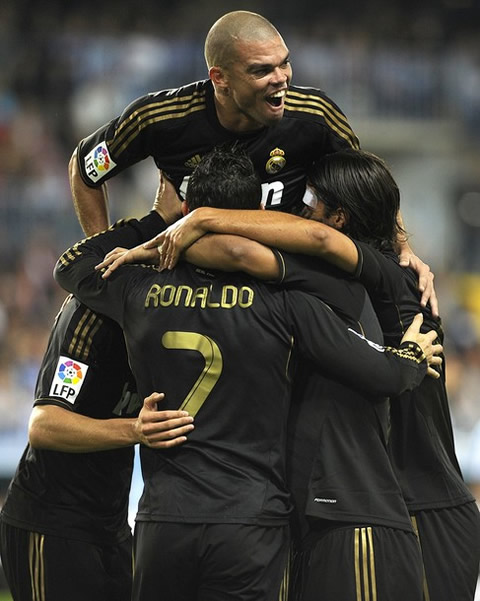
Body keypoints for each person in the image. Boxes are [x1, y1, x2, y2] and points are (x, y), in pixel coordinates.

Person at [55, 146, 441, 601]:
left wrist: (158, 231)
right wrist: (412, 355)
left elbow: (72, 264)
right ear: (258, 214)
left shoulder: (136, 288)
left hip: (165, 518)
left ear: (184, 210)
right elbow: (383, 372)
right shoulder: (286, 301)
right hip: (251, 519)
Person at [147, 148, 480, 601]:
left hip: (417, 510)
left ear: (339, 218)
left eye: (310, 201)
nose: (300, 213)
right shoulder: (354, 280)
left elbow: (244, 252)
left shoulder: (383, 281)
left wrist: (192, 220)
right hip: (372, 507)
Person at [68, 9, 436, 311]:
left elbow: (367, 185)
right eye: (262, 70)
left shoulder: (314, 115)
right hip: (188, 277)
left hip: (285, 278)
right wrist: (103, 242)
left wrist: (404, 248)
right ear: (220, 78)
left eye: (284, 64)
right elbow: (84, 169)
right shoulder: (159, 119)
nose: (281, 80)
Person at [0, 190, 194, 601]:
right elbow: (44, 425)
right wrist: (136, 429)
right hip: (50, 525)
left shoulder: (169, 315)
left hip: (109, 525)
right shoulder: (91, 314)